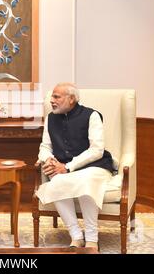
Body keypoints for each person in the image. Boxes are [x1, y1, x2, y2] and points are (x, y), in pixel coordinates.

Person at [35, 83, 115, 251]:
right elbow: (45, 146)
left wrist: (68, 167)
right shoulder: (51, 118)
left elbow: (97, 150)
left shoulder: (91, 115)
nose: (52, 100)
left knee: (85, 183)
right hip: (61, 167)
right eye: (52, 97)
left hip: (94, 166)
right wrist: (48, 159)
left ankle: (92, 239)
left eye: (57, 97)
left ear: (71, 99)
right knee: (56, 183)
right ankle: (76, 236)